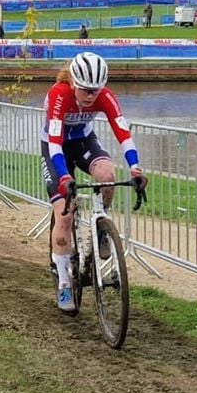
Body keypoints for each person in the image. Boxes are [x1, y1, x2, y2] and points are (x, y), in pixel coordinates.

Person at [41, 52, 148, 313]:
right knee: (64, 216)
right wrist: (64, 176)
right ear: (74, 83)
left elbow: (122, 132)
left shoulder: (105, 96)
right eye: (86, 91)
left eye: (96, 91)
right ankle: (64, 281)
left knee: (107, 175)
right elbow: (54, 141)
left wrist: (135, 167)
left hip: (83, 143)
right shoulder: (59, 94)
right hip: (56, 149)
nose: (91, 97)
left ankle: (102, 225)